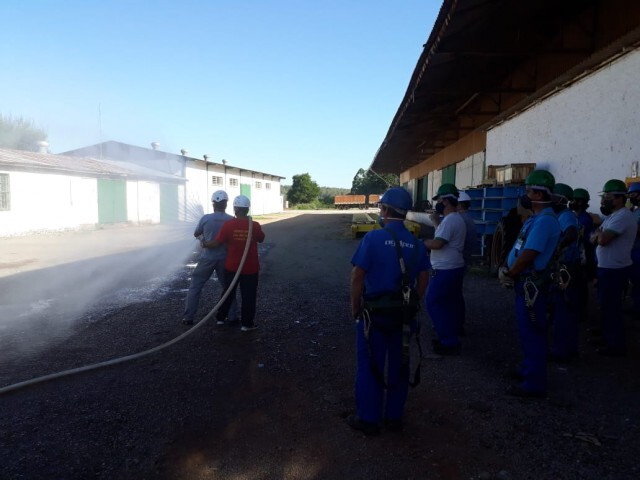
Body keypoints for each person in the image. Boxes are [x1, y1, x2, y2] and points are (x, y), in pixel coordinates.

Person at [348, 187, 430, 436]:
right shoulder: (417, 244)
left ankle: (369, 420)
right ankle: (394, 417)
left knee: (370, 366)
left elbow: (357, 276)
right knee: (400, 365)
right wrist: (414, 301)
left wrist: (355, 308)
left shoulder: (372, 239)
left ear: (384, 210)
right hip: (404, 318)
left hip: (375, 316)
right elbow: (424, 277)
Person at [498, 170, 561, 397]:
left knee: (533, 332)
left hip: (531, 285)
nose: (525, 195)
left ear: (539, 194)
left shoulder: (545, 221)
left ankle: (533, 383)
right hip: (525, 284)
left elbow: (530, 253)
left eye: (528, 191)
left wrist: (512, 273)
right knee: (527, 332)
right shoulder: (535, 219)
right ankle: (527, 369)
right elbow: (520, 247)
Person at [204, 195, 266, 332]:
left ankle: (220, 318)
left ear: (235, 209)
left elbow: (217, 243)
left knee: (228, 292)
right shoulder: (254, 225)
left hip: (232, 266)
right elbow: (261, 239)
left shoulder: (228, 225)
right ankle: (247, 324)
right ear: (247, 209)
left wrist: (205, 243)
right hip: (250, 268)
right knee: (248, 296)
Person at [590, 179, 637, 356]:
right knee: (605, 305)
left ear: (619, 198)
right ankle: (607, 336)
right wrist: (597, 235)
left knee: (612, 307)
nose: (604, 200)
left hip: (614, 270)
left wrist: (598, 236)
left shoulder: (624, 216)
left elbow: (601, 239)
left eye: (608, 196)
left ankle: (615, 345)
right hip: (607, 268)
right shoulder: (612, 216)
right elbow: (592, 235)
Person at [181, 190, 238, 326]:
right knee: (228, 287)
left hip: (207, 258)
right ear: (226, 204)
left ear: (214, 204)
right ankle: (232, 316)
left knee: (195, 286)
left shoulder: (206, 218)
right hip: (225, 259)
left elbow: (196, 233)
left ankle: (188, 317)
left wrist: (203, 240)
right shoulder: (231, 220)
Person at [424, 183, 467, 354]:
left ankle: (448, 341)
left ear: (446, 201)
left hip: (445, 269)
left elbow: (438, 243)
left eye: (439, 200)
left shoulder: (450, 220)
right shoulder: (455, 219)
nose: (438, 204)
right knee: (451, 302)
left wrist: (421, 243)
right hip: (454, 266)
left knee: (434, 302)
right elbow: (443, 236)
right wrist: (436, 223)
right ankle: (454, 331)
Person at [549, 183, 581, 362]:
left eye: (553, 196)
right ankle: (568, 348)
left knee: (563, 309)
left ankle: (563, 351)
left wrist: (558, 247)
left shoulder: (566, 215)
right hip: (565, 266)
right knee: (562, 308)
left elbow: (570, 234)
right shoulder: (559, 215)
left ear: (561, 199)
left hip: (567, 267)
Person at [569, 188, 596, 323]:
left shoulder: (584, 219)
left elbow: (582, 240)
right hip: (581, 254)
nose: (571, 202)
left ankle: (580, 312)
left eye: (573, 200)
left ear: (580, 202)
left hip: (583, 256)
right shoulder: (578, 217)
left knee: (579, 285)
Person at [627, 182, 640, 319]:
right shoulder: (636, 211)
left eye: (633, 195)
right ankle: (636, 306)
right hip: (634, 249)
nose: (631, 198)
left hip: (638, 250)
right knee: (636, 281)